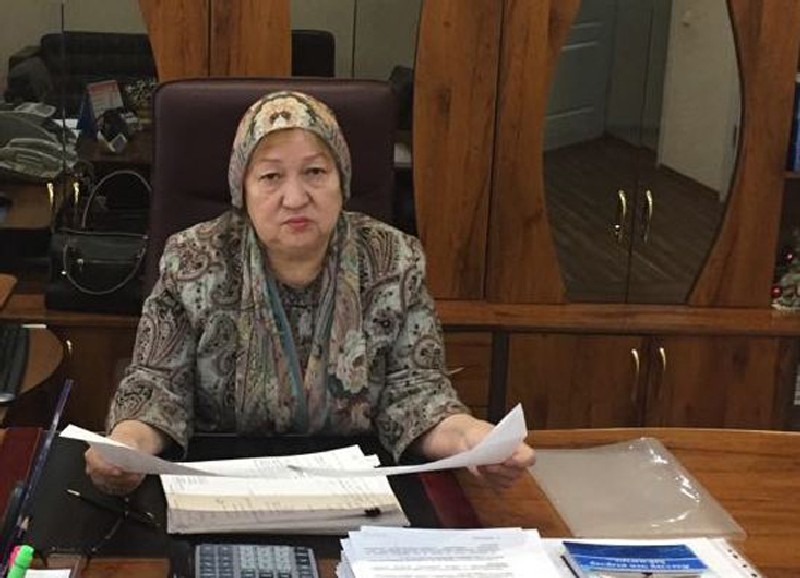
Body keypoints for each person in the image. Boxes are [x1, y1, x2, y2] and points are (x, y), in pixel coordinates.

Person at [85, 90, 535, 495]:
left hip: (360, 492)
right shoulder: (192, 259)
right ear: (242, 189)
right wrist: (127, 447)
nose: (295, 198)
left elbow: (418, 393)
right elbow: (157, 385)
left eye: (315, 172)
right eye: (270, 177)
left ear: (343, 180)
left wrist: (472, 438)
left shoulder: (393, 260)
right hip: (218, 486)